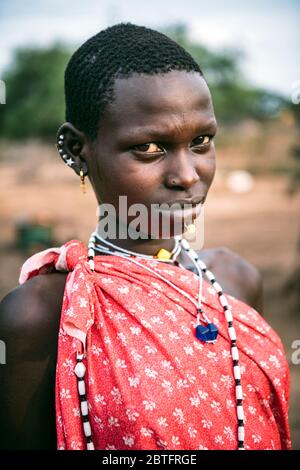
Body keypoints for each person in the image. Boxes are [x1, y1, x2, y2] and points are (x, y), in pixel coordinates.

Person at [0, 23, 291, 450]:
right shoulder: (39, 318)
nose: (188, 175)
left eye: (201, 141)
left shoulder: (235, 283)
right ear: (77, 150)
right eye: (149, 148)